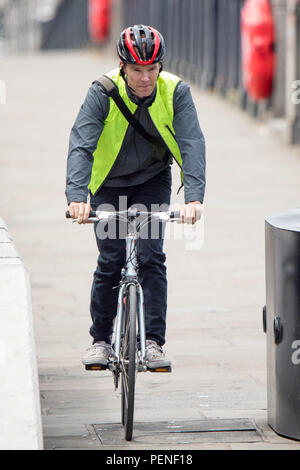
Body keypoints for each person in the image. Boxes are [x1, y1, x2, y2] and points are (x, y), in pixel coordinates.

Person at [65, 25, 206, 370]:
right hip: (108, 184)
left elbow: (192, 144)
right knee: (111, 259)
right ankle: (100, 339)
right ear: (122, 66)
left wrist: (193, 197)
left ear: (160, 66)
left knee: (151, 256)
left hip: (151, 180)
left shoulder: (176, 91)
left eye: (152, 69)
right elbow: (81, 145)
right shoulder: (102, 91)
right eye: (137, 70)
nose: (145, 78)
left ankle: (154, 342)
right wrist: (76, 196)